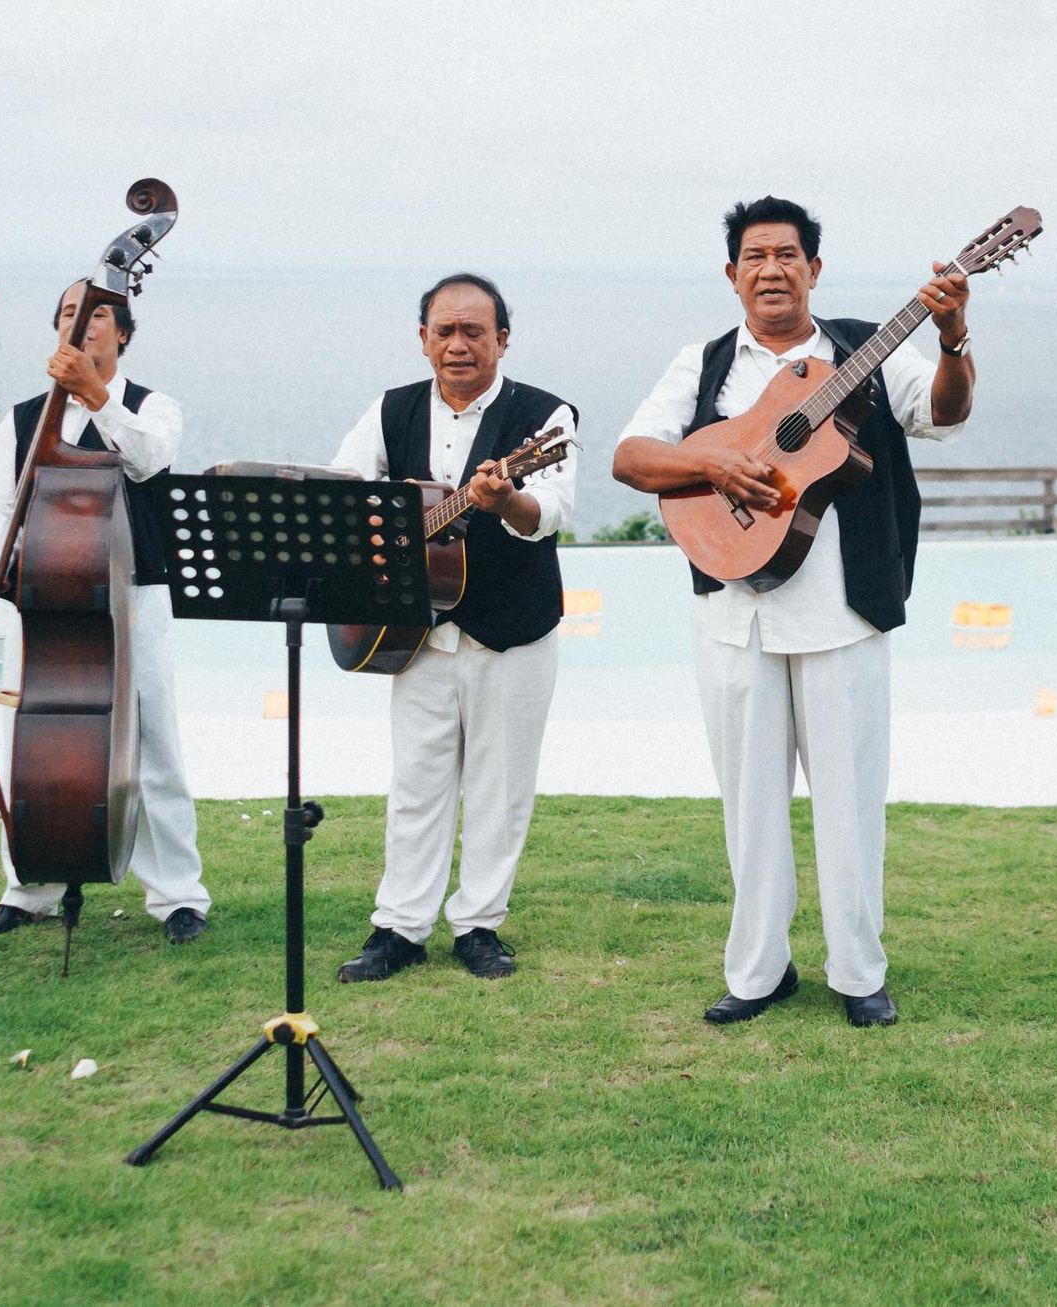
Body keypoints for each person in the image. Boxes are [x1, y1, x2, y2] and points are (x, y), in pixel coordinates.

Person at [612, 197, 974, 1029]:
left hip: (845, 611)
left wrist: (952, 337)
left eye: (787, 254)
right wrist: (716, 457)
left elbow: (946, 413)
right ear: (732, 274)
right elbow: (634, 457)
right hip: (733, 612)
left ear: (815, 268)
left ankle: (857, 971)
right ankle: (757, 970)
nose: (770, 268)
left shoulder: (869, 351)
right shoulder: (703, 364)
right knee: (749, 802)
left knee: (851, 805)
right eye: (754, 256)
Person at [327, 273, 579, 984]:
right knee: (416, 781)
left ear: (503, 338)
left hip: (513, 629)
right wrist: (380, 542)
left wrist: (506, 502)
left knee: (500, 786)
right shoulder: (390, 409)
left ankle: (478, 924)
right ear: (423, 340)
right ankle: (400, 927)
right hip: (413, 632)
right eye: (445, 331)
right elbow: (348, 492)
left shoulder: (545, 417)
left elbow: (550, 511)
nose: (458, 344)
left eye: (475, 331)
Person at [0, 280, 209, 946]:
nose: (81, 324)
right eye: (70, 314)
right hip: (45, 595)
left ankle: (178, 896)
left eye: (96, 314)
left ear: (122, 332)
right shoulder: (23, 418)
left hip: (138, 592)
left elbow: (151, 461)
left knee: (153, 740)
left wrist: (97, 396)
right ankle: (29, 887)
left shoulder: (151, 406)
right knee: (30, 742)